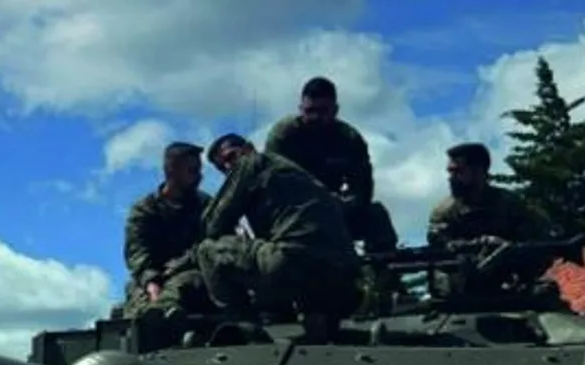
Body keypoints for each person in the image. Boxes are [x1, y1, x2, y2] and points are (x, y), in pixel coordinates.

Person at [189, 133, 360, 316]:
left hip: (294, 266)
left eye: (231, 157)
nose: (228, 167)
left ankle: (241, 323)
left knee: (207, 250)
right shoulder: (296, 172)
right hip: (346, 276)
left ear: (248, 149)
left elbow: (212, 225)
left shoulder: (251, 162)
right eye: (222, 167)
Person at [264, 77, 399, 253]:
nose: (315, 117)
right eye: (309, 110)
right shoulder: (283, 135)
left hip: (335, 211)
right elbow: (271, 183)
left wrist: (347, 203)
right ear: (300, 109)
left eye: (323, 111)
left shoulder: (349, 138)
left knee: (376, 215)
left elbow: (363, 187)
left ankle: (383, 275)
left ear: (335, 110)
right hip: (292, 213)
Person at [121, 142, 212, 316]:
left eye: (199, 170)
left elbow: (209, 244)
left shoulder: (205, 206)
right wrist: (151, 282)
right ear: (172, 170)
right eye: (192, 171)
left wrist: (181, 264)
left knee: (185, 284)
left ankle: (165, 315)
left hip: (193, 275)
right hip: (152, 277)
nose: (199, 176)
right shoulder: (145, 210)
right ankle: (153, 318)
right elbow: (137, 253)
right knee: (138, 300)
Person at [426, 142, 545, 245]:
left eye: (459, 171)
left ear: (479, 171)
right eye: (450, 172)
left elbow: (532, 244)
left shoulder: (511, 205)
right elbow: (439, 245)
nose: (451, 178)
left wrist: (503, 246)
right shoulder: (445, 212)